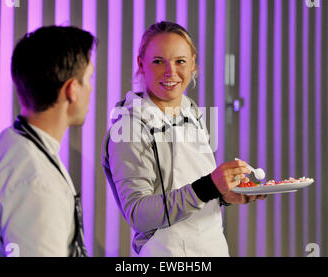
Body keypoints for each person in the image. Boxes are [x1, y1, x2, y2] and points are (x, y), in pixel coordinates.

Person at [102, 21, 266, 257]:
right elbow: (138, 215)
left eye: (180, 61)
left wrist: (225, 194)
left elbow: (192, 192)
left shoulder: (192, 113)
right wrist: (209, 186)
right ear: (141, 64)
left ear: (193, 65)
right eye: (158, 61)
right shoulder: (131, 127)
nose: (171, 72)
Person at [0, 26, 97, 257]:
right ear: (72, 89)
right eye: (88, 78)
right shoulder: (37, 183)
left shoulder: (1, 148)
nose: (92, 88)